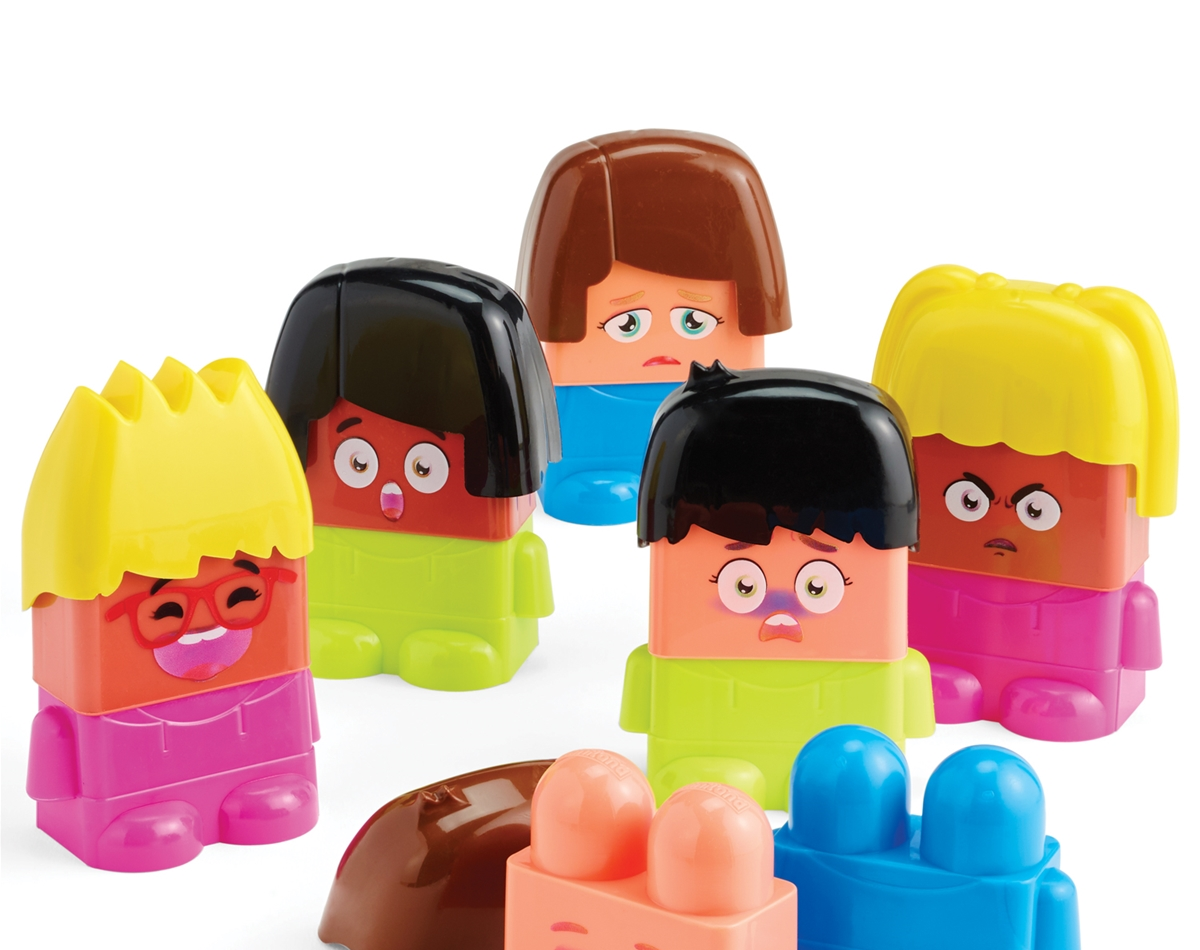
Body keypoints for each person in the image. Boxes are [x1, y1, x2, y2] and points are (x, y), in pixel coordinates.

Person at [24, 358, 319, 871]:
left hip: (267, 761)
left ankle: (257, 780)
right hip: (124, 790)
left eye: (239, 598)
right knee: (141, 828)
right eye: (165, 611)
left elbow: (301, 710)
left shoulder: (277, 676)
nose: (204, 626)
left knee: (267, 796)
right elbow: (56, 742)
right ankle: (136, 808)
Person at [873, 266, 1178, 740]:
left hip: (1070, 667)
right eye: (969, 501)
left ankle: (1065, 689)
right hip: (939, 650)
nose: (1000, 526)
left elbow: (1138, 632)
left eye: (1034, 510)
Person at [620, 361, 934, 809]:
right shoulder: (671, 658)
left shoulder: (882, 662)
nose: (780, 609)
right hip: (710, 761)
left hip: (846, 765)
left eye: (818, 587)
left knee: (851, 782)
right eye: (742, 585)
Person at [267, 259, 561, 690]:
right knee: (336, 638)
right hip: (339, 615)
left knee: (456, 651)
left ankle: (458, 639)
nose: (391, 496)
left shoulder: (491, 523)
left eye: (424, 468)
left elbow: (528, 570)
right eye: (358, 464)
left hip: (464, 624)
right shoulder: (316, 511)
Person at [517, 130, 790, 525]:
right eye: (626, 323)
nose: (664, 348)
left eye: (694, 321)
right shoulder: (571, 387)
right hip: (591, 462)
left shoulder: (731, 389)